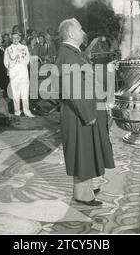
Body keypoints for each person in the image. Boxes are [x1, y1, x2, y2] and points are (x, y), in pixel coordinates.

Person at [55, 18, 115, 206]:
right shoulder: (68, 55)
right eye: (80, 29)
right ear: (71, 34)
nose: (83, 33)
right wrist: (88, 115)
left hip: (82, 111)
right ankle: (83, 195)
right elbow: (74, 91)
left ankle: (85, 187)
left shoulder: (71, 53)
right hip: (79, 115)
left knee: (86, 151)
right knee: (82, 152)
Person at [4, 32, 34, 118]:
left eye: (17, 38)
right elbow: (6, 62)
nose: (15, 40)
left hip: (23, 71)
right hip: (14, 73)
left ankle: (26, 111)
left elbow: (27, 59)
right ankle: (17, 111)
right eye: (13, 38)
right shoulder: (8, 49)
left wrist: (21, 61)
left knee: (25, 92)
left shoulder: (24, 48)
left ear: (19, 38)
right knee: (15, 93)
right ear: (11, 39)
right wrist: (12, 67)